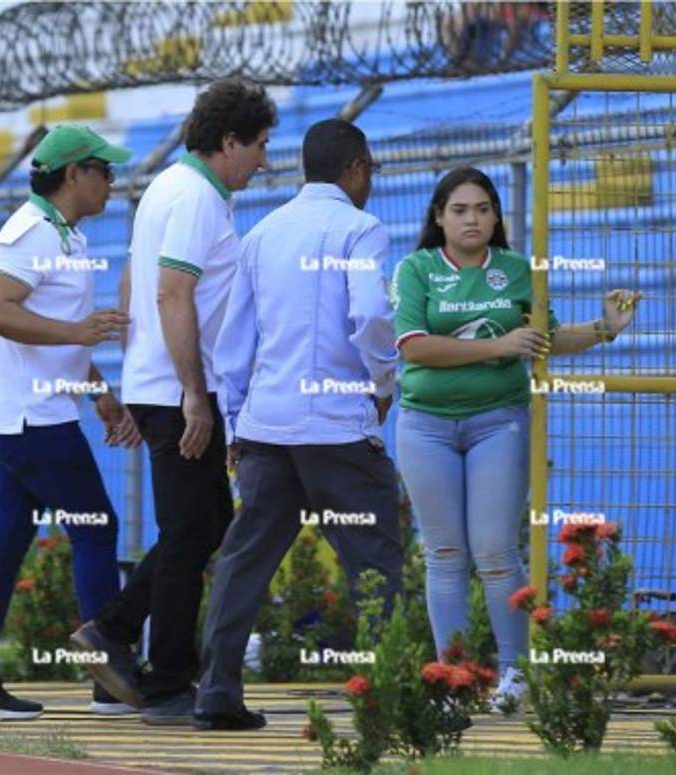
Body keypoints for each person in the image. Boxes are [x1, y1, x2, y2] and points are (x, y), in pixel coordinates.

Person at [390, 166, 641, 711]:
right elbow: (414, 347)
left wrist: (604, 329)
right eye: (459, 210)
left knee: (496, 551)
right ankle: (453, 681)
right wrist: (499, 347)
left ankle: (514, 675)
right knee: (446, 554)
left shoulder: (515, 269)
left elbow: (541, 341)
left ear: (497, 215)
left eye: (482, 208)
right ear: (438, 217)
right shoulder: (414, 270)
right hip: (424, 425)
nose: (472, 219)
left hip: (498, 421)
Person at [68, 77, 277, 726]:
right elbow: (169, 293)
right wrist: (191, 393)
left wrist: (146, 376)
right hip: (182, 388)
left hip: (165, 382)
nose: (265, 159)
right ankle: (160, 674)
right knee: (191, 530)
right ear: (229, 141)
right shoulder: (193, 198)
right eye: (261, 145)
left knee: (204, 525)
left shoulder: (174, 187)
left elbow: (137, 280)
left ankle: (120, 633)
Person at [193, 119, 405, 730]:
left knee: (243, 562)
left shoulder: (262, 235)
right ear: (357, 169)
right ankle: (381, 695)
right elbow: (369, 314)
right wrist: (381, 384)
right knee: (374, 563)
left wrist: (236, 426)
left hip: (267, 428)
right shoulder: (360, 229)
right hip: (339, 431)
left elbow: (234, 344)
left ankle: (216, 694)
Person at [0, 125, 142, 721]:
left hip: (25, 415)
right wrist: (78, 337)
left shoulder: (66, 236)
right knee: (95, 527)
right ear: (74, 173)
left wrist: (100, 393)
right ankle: (110, 680)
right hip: (29, 419)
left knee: (2, 546)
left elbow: (61, 335)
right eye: (104, 170)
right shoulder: (29, 232)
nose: (112, 181)